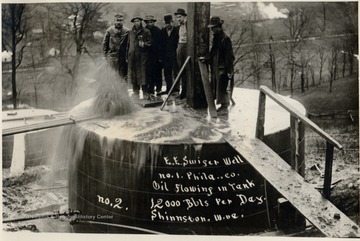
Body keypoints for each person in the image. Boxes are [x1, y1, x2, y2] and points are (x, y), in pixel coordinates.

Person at [201, 16, 234, 115]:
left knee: (223, 87)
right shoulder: (216, 38)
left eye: (213, 27)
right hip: (216, 66)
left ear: (219, 27)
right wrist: (206, 58)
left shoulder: (225, 39)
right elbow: (213, 52)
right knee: (217, 86)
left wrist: (229, 71)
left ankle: (225, 107)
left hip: (223, 67)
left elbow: (229, 56)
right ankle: (222, 106)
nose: (211, 30)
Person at [127, 16, 152, 98]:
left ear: (141, 22)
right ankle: (135, 92)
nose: (136, 23)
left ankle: (145, 92)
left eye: (138, 21)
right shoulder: (130, 32)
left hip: (142, 57)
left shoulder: (146, 31)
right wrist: (127, 56)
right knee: (134, 75)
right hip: (133, 57)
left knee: (144, 75)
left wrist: (144, 44)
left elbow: (150, 43)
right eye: (135, 21)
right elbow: (128, 45)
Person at [102, 14, 129, 80]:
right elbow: (105, 44)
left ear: (123, 21)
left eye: (120, 20)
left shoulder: (127, 31)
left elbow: (129, 45)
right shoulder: (109, 30)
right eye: (117, 20)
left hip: (123, 57)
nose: (119, 22)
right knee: (112, 75)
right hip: (112, 56)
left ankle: (123, 90)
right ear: (114, 21)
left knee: (123, 76)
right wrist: (104, 56)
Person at [144, 15, 163, 95]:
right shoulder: (144, 30)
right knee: (149, 72)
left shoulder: (158, 30)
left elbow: (161, 44)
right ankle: (150, 89)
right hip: (147, 55)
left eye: (151, 22)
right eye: (148, 22)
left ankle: (158, 89)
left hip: (156, 55)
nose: (150, 23)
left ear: (154, 22)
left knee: (158, 72)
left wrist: (160, 56)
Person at [161, 14, 179, 94]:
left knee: (176, 72)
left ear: (172, 22)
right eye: (166, 23)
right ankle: (169, 89)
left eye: (169, 23)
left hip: (175, 55)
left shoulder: (177, 30)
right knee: (167, 72)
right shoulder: (163, 31)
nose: (168, 25)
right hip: (166, 56)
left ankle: (176, 89)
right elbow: (161, 44)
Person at [174, 8, 188, 99]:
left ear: (184, 17)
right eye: (177, 17)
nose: (178, 19)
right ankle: (182, 92)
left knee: (186, 70)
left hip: (186, 47)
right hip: (180, 47)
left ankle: (185, 92)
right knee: (180, 70)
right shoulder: (179, 26)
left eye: (180, 17)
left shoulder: (188, 24)